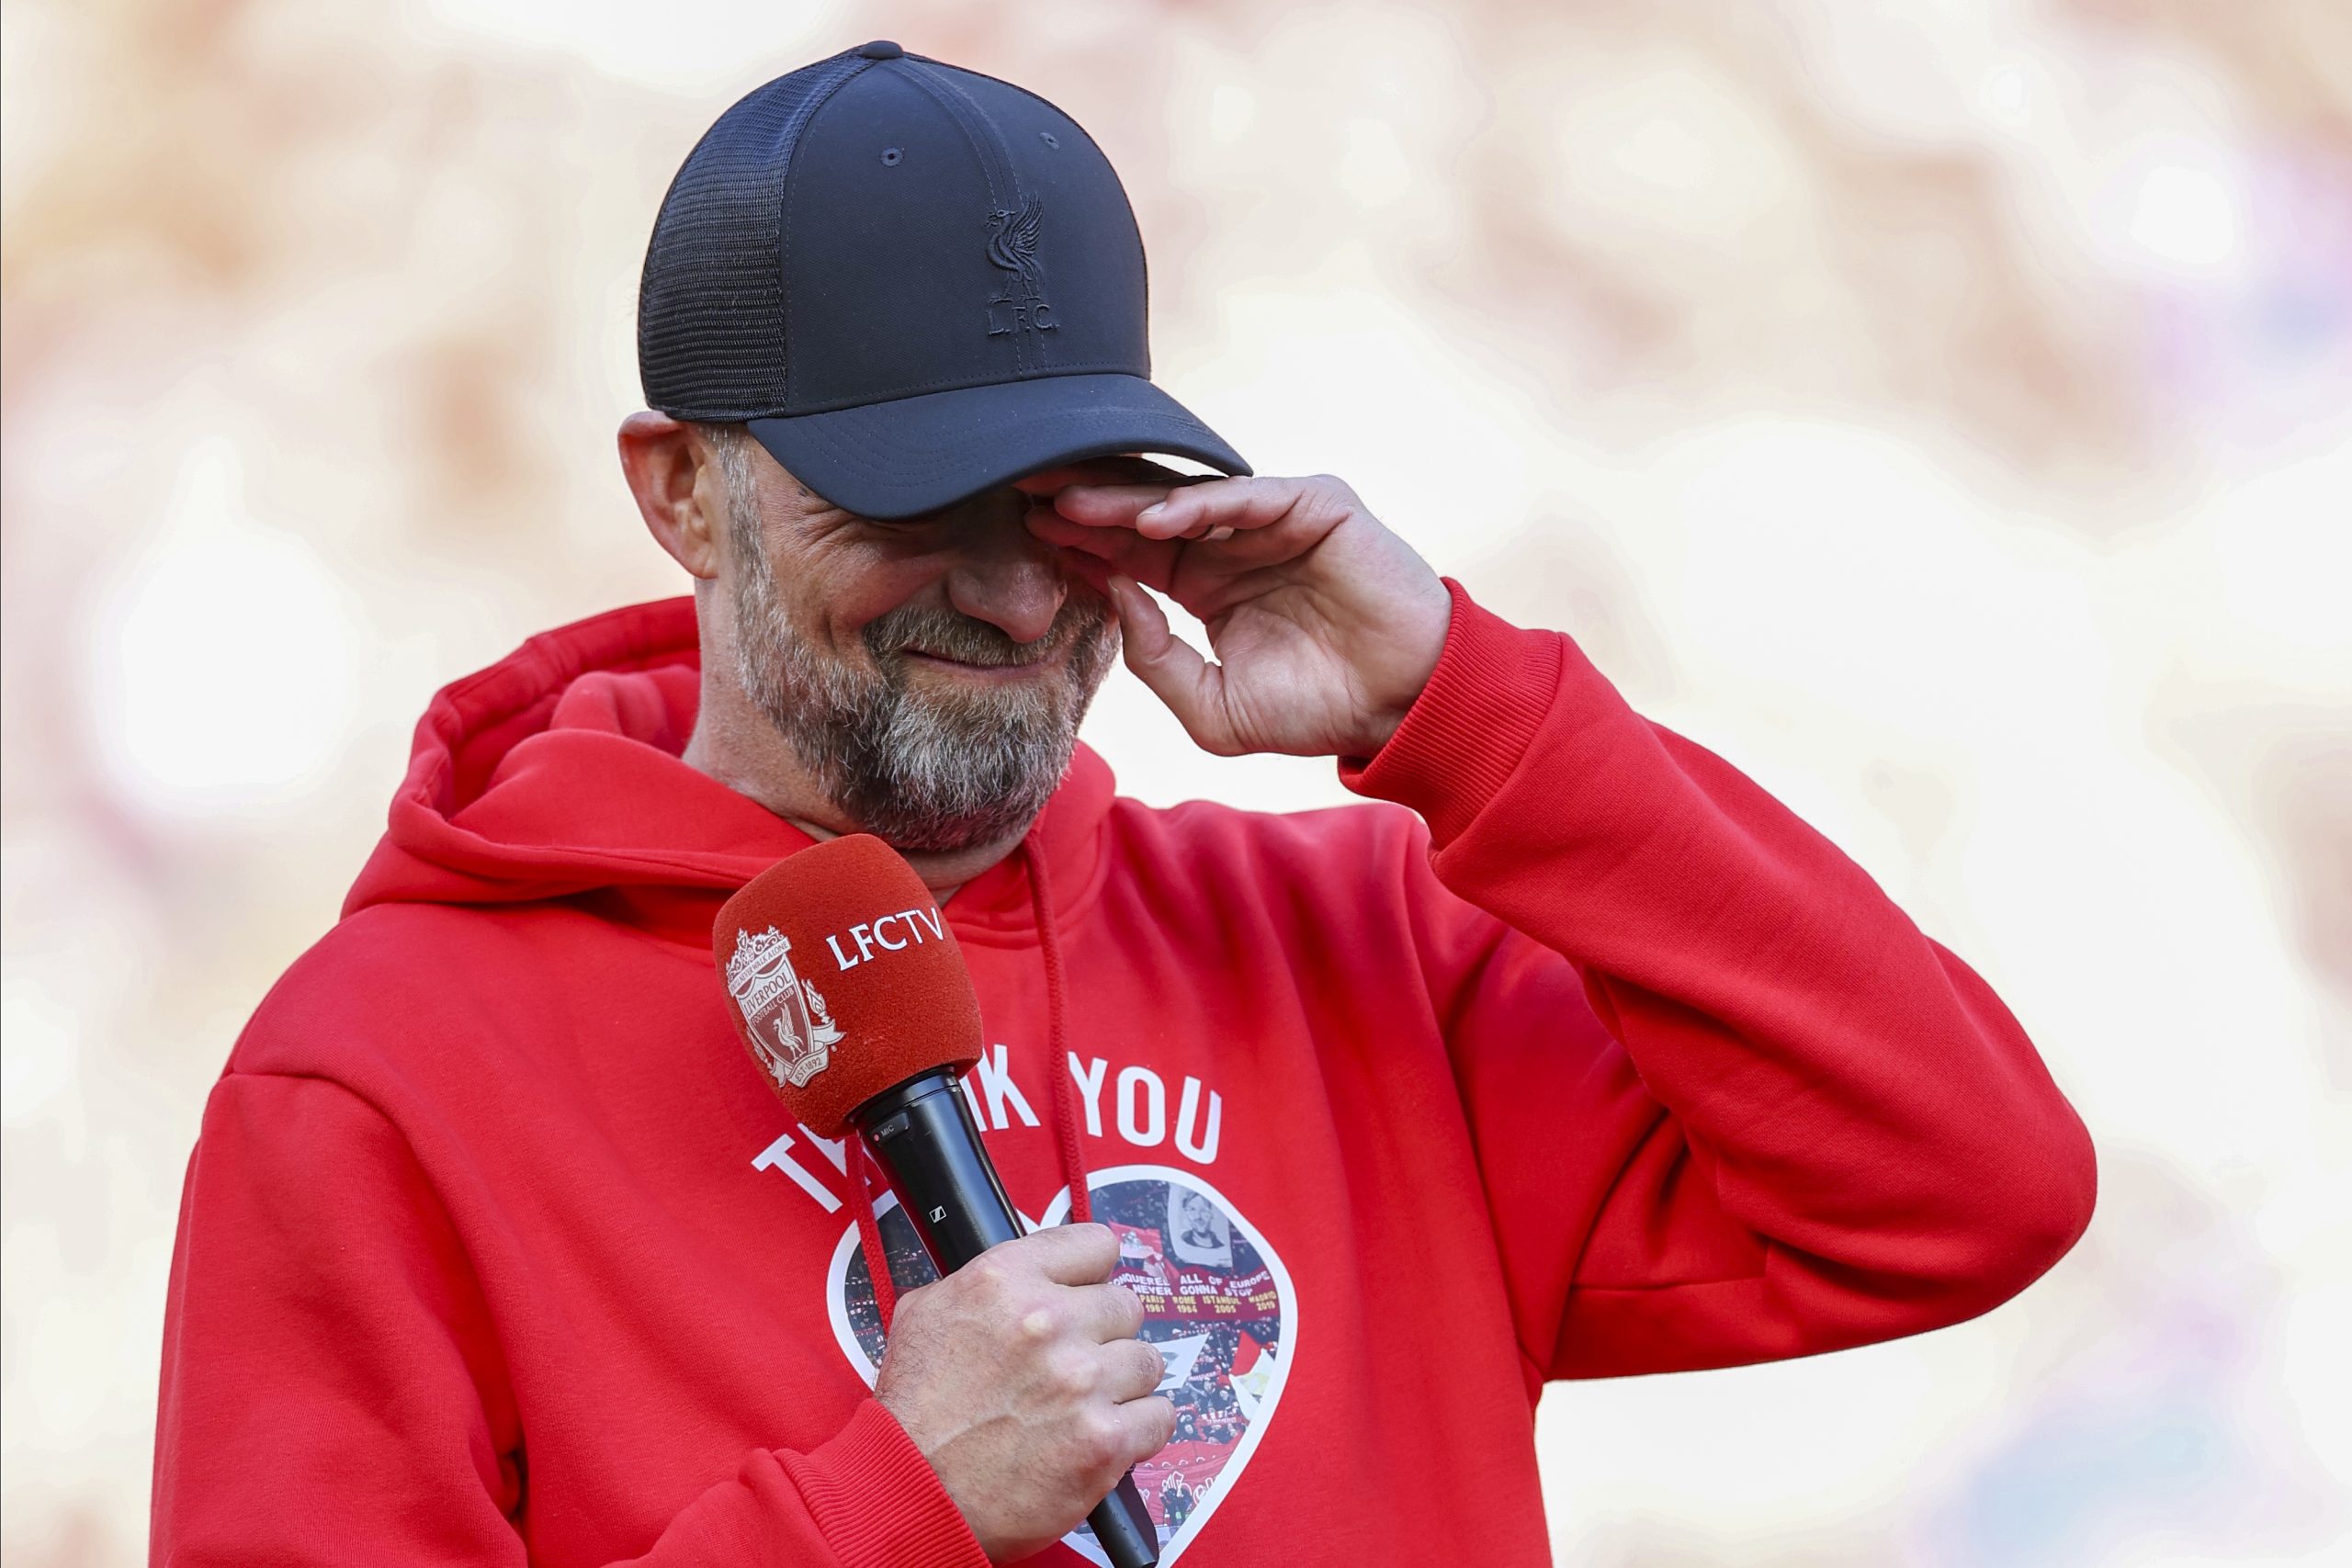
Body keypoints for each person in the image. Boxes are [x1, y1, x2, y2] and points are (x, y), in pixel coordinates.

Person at [149, 39, 2097, 1568]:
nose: (1011, 593)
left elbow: (1965, 1187)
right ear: (681, 492)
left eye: (1066, 499)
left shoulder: (1363, 950)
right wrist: (890, 1507)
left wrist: (1466, 708)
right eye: (913, 501)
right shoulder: (382, 1073)